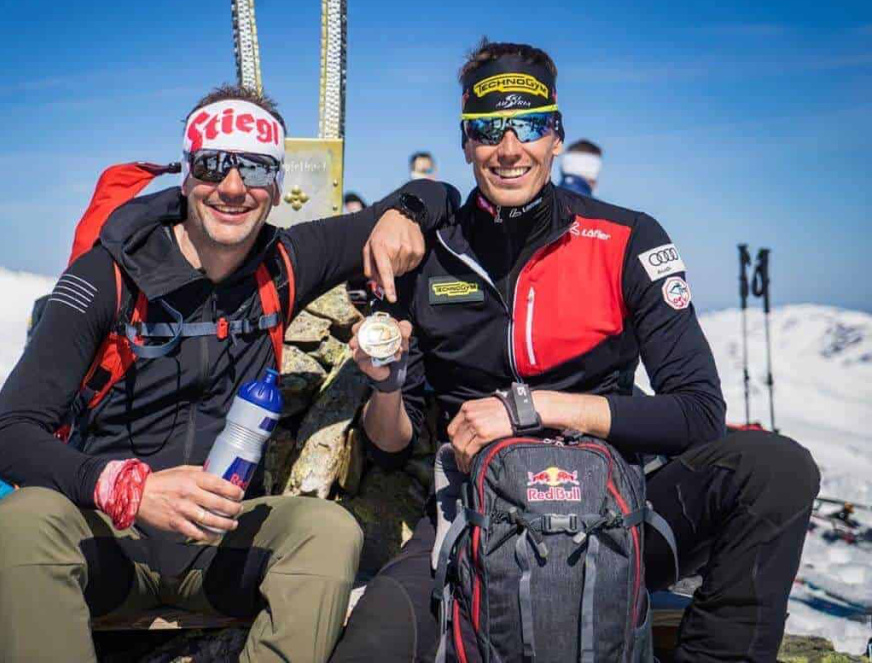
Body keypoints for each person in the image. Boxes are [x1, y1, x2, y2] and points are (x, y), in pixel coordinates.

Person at [333, 40, 820, 663]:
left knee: (777, 468)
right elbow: (389, 443)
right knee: (371, 647)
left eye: (530, 126)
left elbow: (698, 412)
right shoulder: (430, 252)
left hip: (619, 514)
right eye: (487, 129)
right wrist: (386, 382)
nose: (509, 148)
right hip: (474, 515)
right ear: (465, 144)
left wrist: (532, 408)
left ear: (556, 136)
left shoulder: (626, 239)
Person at [0, 84, 457, 663]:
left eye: (255, 169)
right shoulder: (107, 273)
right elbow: (6, 435)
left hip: (220, 541)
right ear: (186, 177)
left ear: (277, 185)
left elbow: (440, 193)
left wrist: (402, 214)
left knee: (327, 531)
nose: (233, 187)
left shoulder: (285, 262)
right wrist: (132, 489)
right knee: (21, 519)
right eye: (212, 165)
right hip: (108, 536)